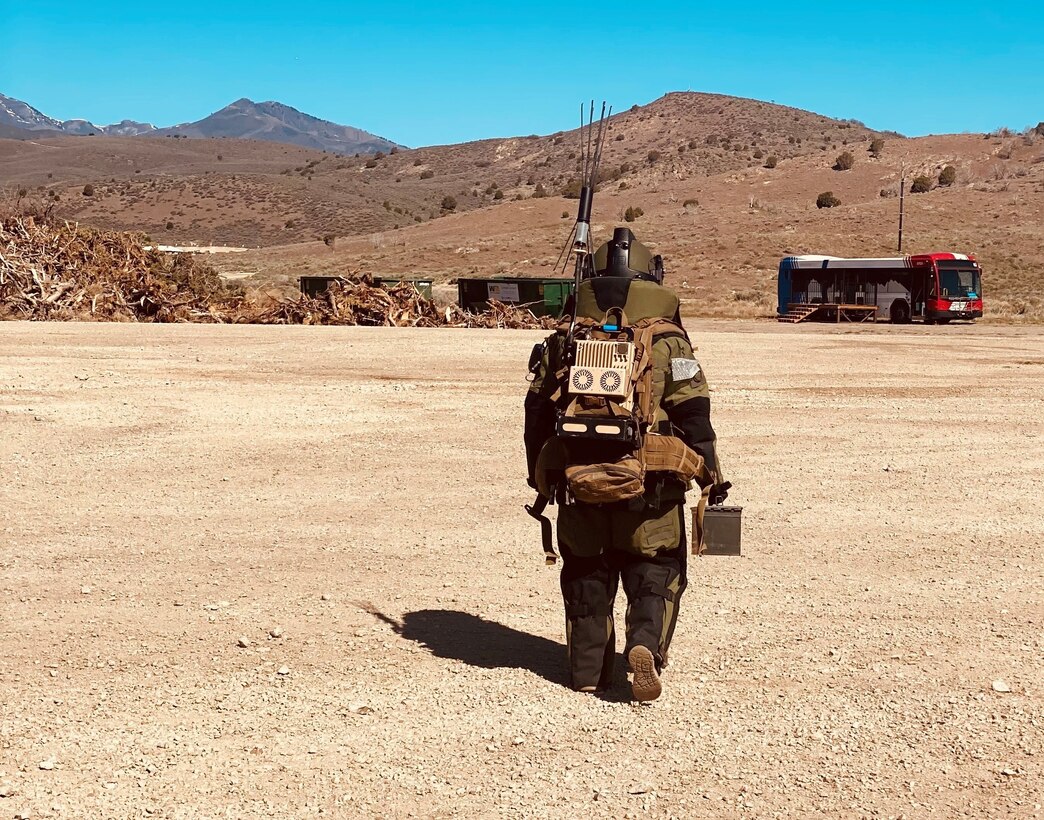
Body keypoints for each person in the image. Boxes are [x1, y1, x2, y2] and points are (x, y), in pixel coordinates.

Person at [524, 227, 727, 701]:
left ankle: (587, 671)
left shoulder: (564, 339)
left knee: (586, 573)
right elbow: (693, 411)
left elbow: (536, 414)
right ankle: (644, 645)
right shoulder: (670, 343)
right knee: (655, 571)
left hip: (580, 483)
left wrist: (542, 475)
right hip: (651, 488)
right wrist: (712, 476)